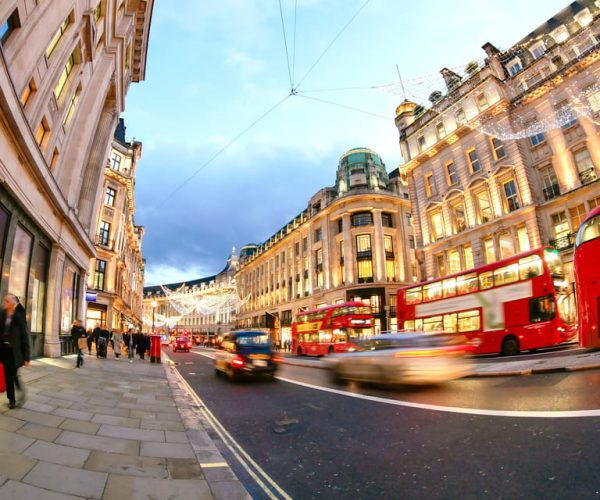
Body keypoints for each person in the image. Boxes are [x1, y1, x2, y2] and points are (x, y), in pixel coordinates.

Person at [0, 294, 31, 409]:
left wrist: (27, 357)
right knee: (10, 376)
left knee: (10, 375)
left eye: (7, 301)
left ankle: (12, 399)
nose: (4, 303)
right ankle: (14, 396)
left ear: (12, 303)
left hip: (14, 352)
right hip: (3, 350)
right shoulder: (2, 314)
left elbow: (24, 337)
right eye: (4, 300)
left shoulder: (18, 317)